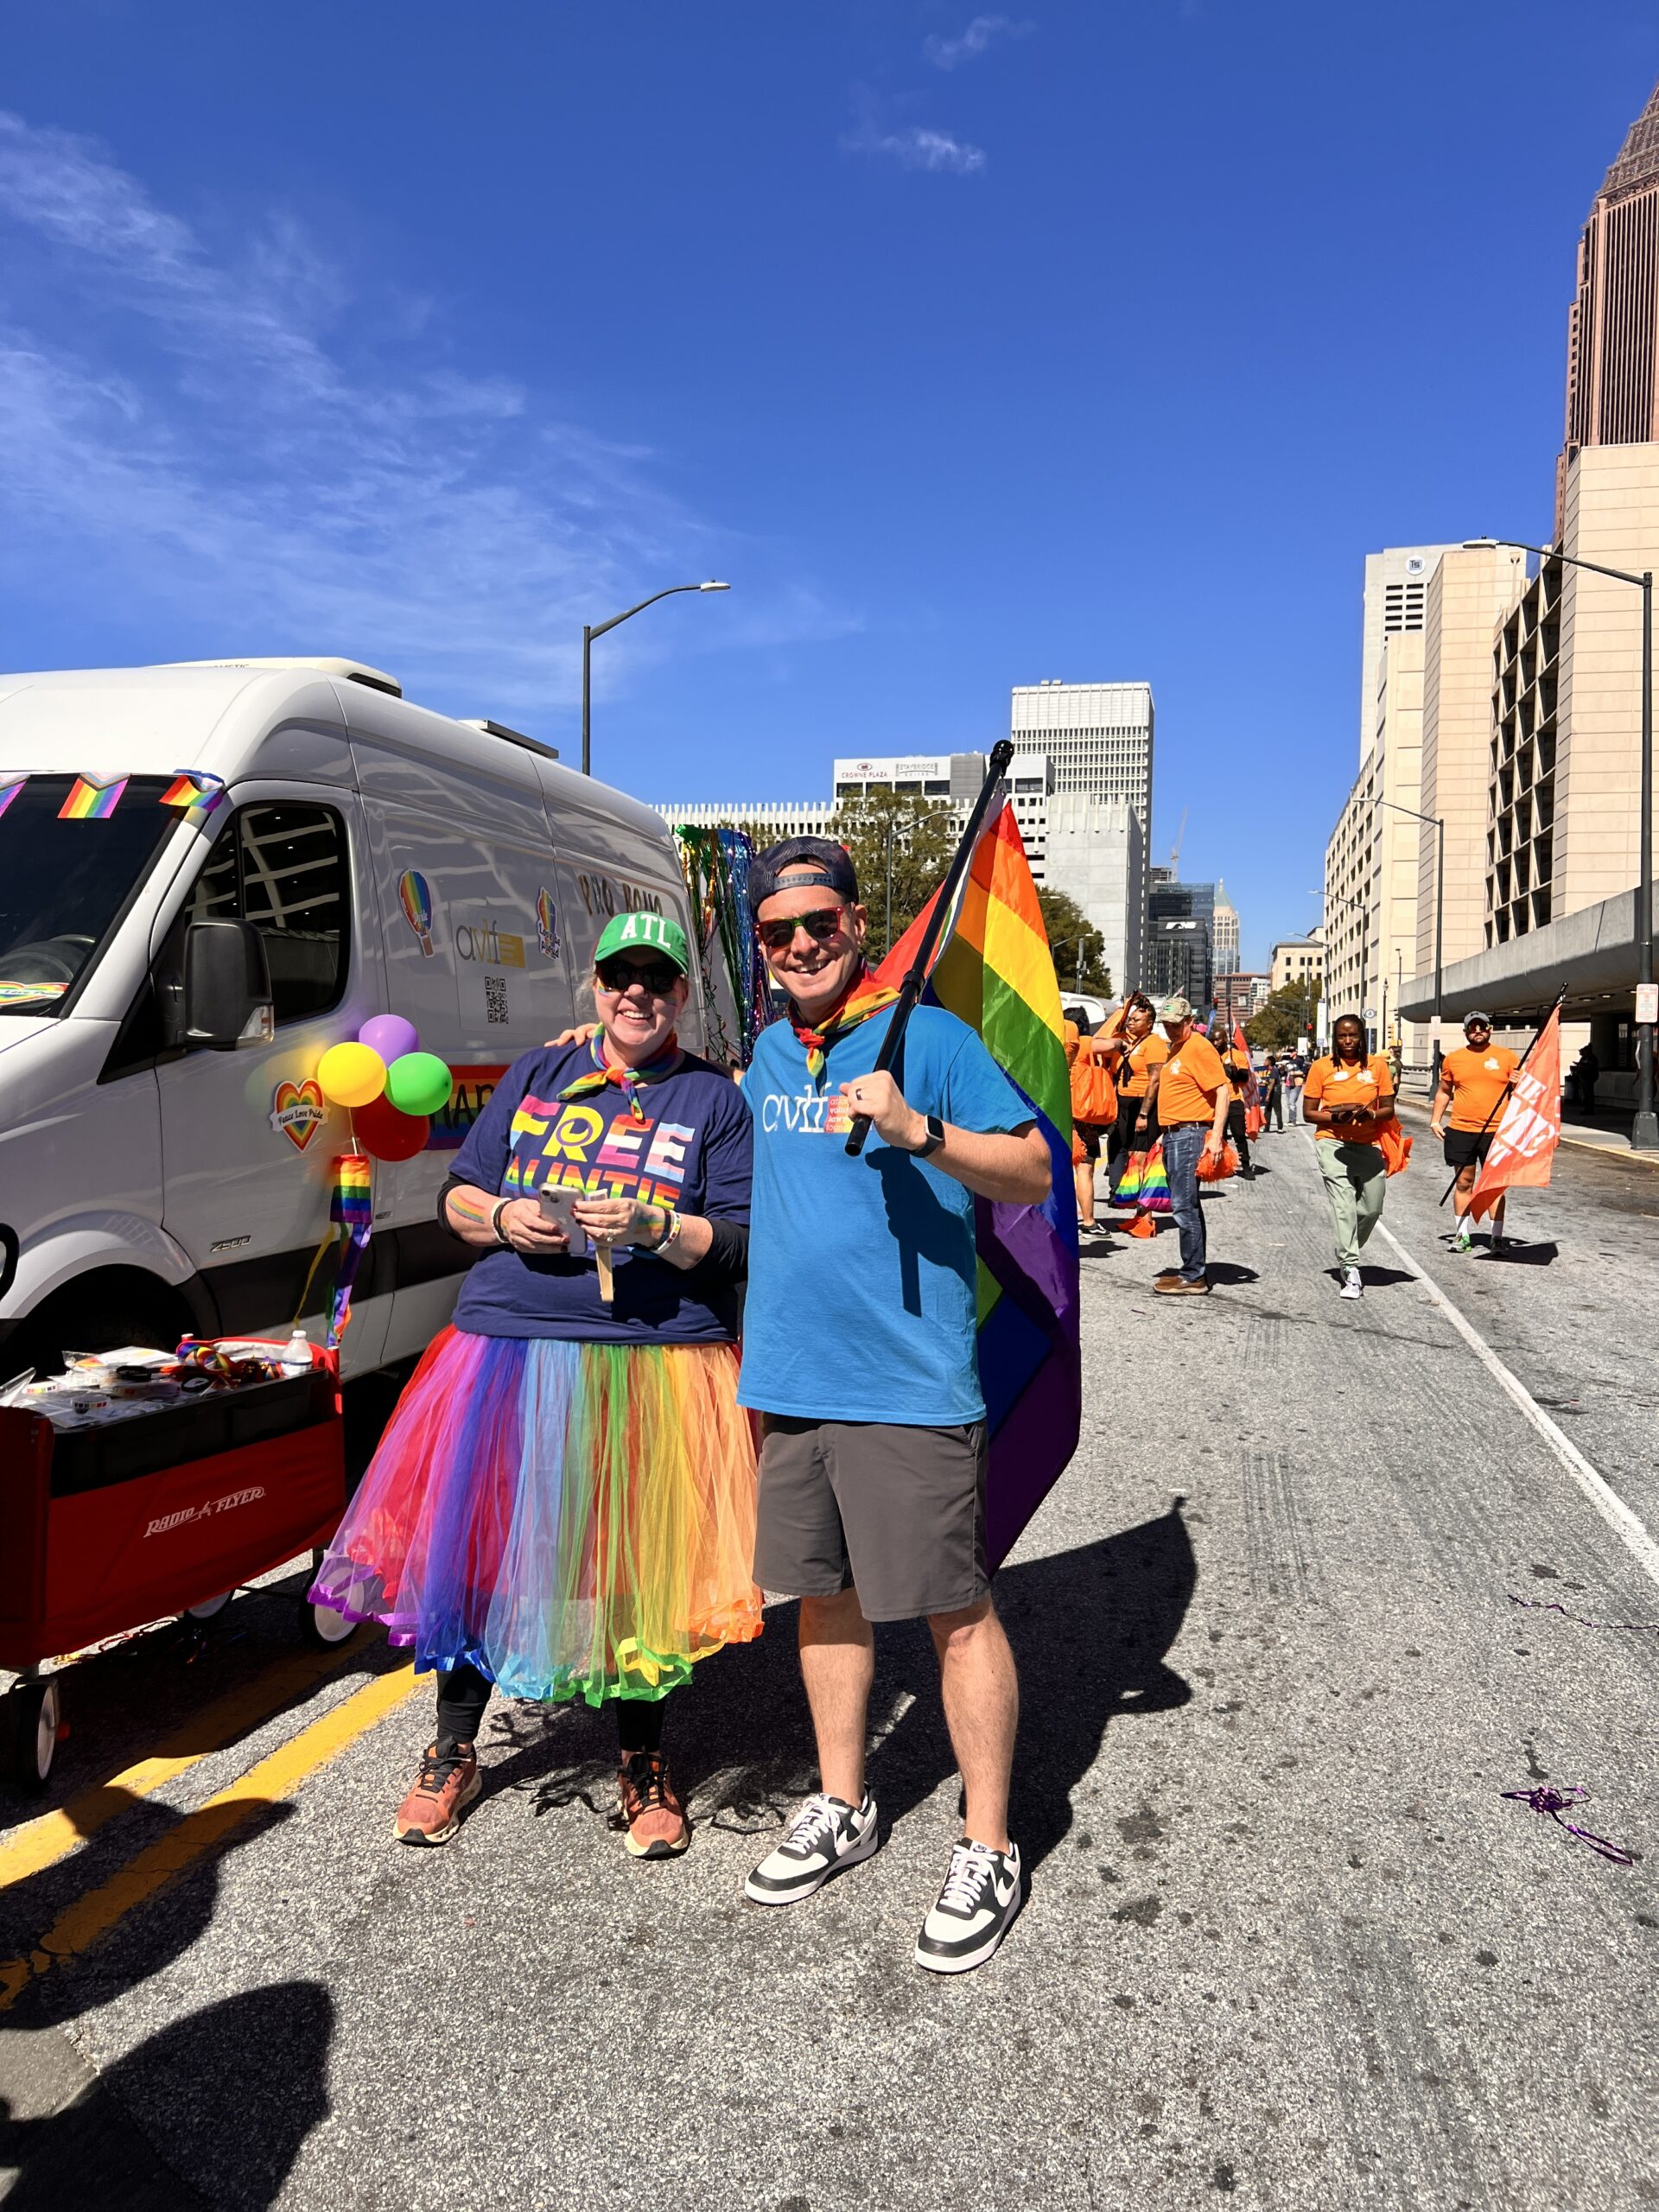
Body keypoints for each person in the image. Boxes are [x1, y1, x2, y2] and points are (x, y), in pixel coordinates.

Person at [310, 913, 760, 1859]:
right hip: (508, 1345)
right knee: (480, 1546)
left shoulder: (713, 1101)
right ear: (594, 986)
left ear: (681, 994)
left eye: (655, 977)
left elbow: (738, 1242)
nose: (635, 992)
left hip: (658, 1355)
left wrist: (650, 1225)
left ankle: (642, 1762)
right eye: (617, 976)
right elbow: (458, 1196)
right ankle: (453, 1748)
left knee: (644, 1564)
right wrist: (510, 1214)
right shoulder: (537, 1074)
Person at [735, 836, 1051, 1974]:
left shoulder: (935, 1039)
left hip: (907, 1386)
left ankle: (988, 1843)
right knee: (822, 1600)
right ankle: (844, 1805)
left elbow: (1033, 1170)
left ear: (858, 927)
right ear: (761, 949)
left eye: (821, 923)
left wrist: (920, 1129)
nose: (804, 944)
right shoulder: (764, 1055)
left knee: (952, 1612)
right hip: (789, 1381)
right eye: (779, 932)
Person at [1300, 1014, 1396, 1299]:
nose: (1348, 1041)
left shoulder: (1378, 1066)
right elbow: (1308, 1113)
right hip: (1332, 1142)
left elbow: (1388, 1108)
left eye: (1352, 1035)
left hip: (1368, 1144)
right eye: (1342, 1036)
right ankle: (1350, 1268)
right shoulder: (1321, 1067)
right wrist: (1335, 1117)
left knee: (1371, 1208)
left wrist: (1370, 1114)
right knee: (1344, 1206)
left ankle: (1347, 1244)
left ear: (1362, 1035)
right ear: (1335, 1038)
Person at [1138, 995, 1229, 1296]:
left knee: (1183, 1206)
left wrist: (1215, 1137)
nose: (1172, 1030)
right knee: (1188, 1204)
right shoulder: (1178, 1048)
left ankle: (1193, 1275)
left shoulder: (1199, 1048)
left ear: (1191, 1021)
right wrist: (1167, 1130)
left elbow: (1222, 1093)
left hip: (1190, 1135)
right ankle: (1192, 1270)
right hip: (1177, 1133)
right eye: (1167, 1025)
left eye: (1177, 1025)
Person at [1430, 1010, 1520, 1253]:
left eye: (1482, 1027)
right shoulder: (1453, 1059)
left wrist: (1520, 1083)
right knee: (1464, 1182)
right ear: (1466, 1032)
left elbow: (1522, 1093)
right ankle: (1462, 1236)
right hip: (1461, 1130)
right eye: (1473, 1027)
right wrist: (1436, 1120)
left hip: (1497, 1132)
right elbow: (1444, 1091)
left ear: (1490, 1029)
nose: (1477, 1031)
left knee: (1494, 1186)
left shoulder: (1507, 1057)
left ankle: (1497, 1239)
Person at [1099, 993, 1166, 1187]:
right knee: (1119, 1147)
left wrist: (1144, 1114)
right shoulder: (1120, 1039)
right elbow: (1098, 1042)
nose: (1131, 1022)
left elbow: (1155, 1081)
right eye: (1130, 1019)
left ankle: (1142, 1203)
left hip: (1142, 1104)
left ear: (1150, 1023)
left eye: (1137, 1020)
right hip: (1121, 1103)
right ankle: (1120, 1190)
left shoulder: (1155, 1044)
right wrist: (1123, 1011)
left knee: (1139, 1155)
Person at [1066, 1018, 1116, 1233]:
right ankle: (1088, 1221)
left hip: (1059, 1110)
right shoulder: (1084, 1042)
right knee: (1085, 1170)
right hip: (1082, 1114)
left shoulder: (1056, 1043)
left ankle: (1063, 1220)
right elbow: (1112, 1045)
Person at [1217, 1024, 1255, 1178]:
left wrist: (1234, 1069)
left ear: (1225, 1040)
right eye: (1213, 1040)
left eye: (1218, 1039)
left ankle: (1245, 1166)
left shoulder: (1237, 1055)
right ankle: (1224, 1166)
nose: (1215, 1043)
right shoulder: (1209, 1055)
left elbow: (1244, 1079)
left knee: (1239, 1134)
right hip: (1216, 1102)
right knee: (1220, 1136)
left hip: (1233, 1100)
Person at [1569, 1042, 1600, 1116]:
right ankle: (1587, 1109)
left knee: (1589, 1094)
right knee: (1586, 1095)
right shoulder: (1584, 1058)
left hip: (1589, 1078)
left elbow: (1591, 1067)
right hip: (1584, 1077)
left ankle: (1590, 1110)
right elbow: (1581, 1065)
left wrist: (1582, 1066)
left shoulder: (1592, 1058)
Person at [1261, 1055, 1284, 1133]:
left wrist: (1268, 1095)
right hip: (1271, 1091)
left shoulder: (1274, 1070)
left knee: (1277, 1109)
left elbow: (1273, 1082)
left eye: (1265, 1060)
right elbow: (1269, 1082)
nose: (1264, 1062)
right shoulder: (1270, 1071)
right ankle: (1266, 1128)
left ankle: (1280, 1128)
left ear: (1269, 1062)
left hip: (1275, 1092)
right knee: (1267, 1110)